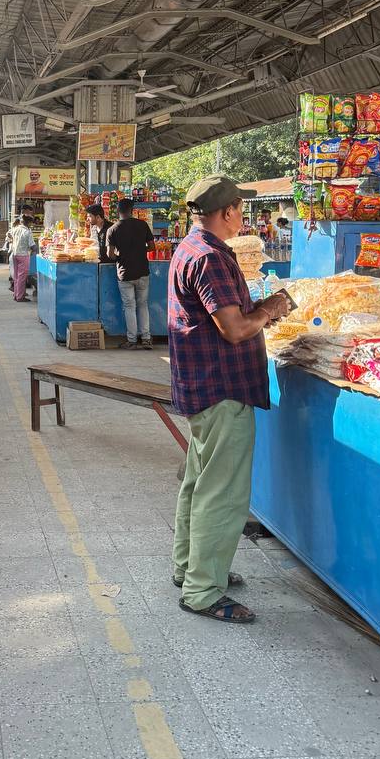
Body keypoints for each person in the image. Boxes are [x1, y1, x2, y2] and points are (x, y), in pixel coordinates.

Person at [169, 175, 293, 624]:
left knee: (199, 483)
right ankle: (203, 591)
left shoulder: (190, 247)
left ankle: (190, 570)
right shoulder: (211, 258)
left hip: (201, 385)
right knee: (222, 494)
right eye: (241, 209)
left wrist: (257, 310)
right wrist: (270, 310)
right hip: (222, 388)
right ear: (226, 213)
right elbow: (235, 329)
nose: (244, 216)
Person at [106, 197, 155, 348]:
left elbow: (110, 254)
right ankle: (146, 338)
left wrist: (121, 255)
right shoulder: (142, 225)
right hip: (142, 271)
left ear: (118, 211)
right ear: (132, 210)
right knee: (143, 305)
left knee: (129, 306)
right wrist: (140, 251)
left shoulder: (112, 229)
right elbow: (152, 247)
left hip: (124, 273)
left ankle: (132, 340)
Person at [11, 215, 37, 301]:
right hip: (23, 255)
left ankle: (16, 295)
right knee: (22, 277)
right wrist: (35, 250)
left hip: (15, 254)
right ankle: (20, 297)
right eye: (31, 223)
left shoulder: (16, 229)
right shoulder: (27, 232)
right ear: (28, 223)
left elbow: (9, 235)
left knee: (17, 276)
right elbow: (32, 245)